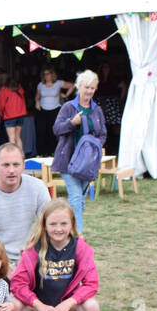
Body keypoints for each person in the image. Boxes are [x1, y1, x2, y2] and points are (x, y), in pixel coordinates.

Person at [10, 197, 101, 311]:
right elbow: (18, 284)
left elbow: (91, 284)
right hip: (38, 307)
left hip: (66, 307)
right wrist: (38, 304)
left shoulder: (80, 246)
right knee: (14, 307)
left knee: (92, 307)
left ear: (72, 224)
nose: (58, 229)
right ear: (44, 225)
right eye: (53, 224)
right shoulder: (34, 248)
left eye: (64, 224)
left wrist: (70, 302)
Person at [0, 142, 49, 264]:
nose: (11, 170)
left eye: (16, 165)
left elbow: (50, 225)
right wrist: (4, 268)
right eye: (6, 165)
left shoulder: (38, 187)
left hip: (29, 258)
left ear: (23, 165)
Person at [51, 69, 107, 234]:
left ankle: (72, 229)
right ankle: (78, 235)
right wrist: (71, 123)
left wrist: (94, 146)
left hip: (87, 163)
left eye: (92, 88)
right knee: (75, 198)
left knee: (80, 200)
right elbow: (56, 129)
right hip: (68, 161)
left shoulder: (97, 110)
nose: (89, 91)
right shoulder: (68, 107)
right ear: (79, 87)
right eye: (86, 87)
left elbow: (102, 133)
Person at [34, 67, 64, 157]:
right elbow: (37, 96)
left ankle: (53, 152)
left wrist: (65, 94)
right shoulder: (40, 85)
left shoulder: (58, 83)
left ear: (52, 74)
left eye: (48, 74)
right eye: (44, 74)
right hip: (43, 110)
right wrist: (37, 102)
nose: (46, 76)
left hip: (55, 110)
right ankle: (41, 153)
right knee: (41, 131)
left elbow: (72, 85)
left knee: (53, 132)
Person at [0, 75, 26, 150]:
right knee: (18, 137)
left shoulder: (4, 89)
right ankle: (21, 157)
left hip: (10, 116)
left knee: (11, 138)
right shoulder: (20, 89)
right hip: (21, 115)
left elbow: (0, 105)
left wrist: (1, 114)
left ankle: (14, 158)